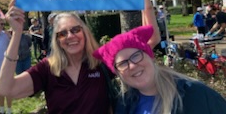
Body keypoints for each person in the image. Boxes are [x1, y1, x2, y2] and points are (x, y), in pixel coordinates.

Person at [0, 0, 160, 113]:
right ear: (57, 40)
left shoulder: (100, 60)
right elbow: (5, 90)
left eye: (75, 30)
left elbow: (152, 38)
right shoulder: (47, 68)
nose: (70, 36)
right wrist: (17, 33)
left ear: (85, 32)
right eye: (63, 33)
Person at [93, 25, 226, 114]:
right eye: (123, 63)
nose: (132, 65)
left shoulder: (196, 95)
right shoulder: (124, 105)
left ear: (150, 56)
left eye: (136, 56)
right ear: (118, 73)